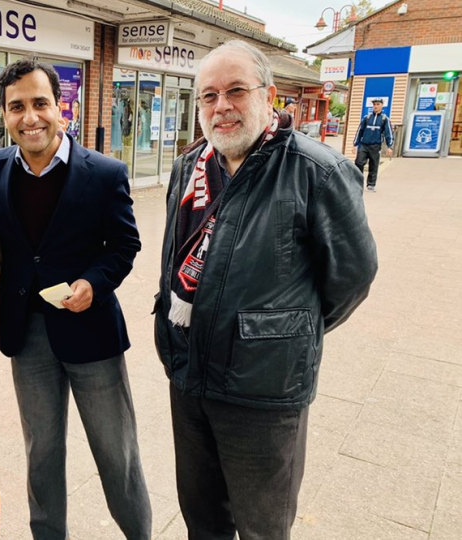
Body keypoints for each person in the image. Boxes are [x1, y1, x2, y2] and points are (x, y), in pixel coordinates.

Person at [155, 40, 378, 540]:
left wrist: (280, 333)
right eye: (209, 96)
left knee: (262, 526)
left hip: (262, 390)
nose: (222, 106)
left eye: (236, 91)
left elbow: (352, 277)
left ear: (270, 95)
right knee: (203, 520)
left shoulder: (316, 171)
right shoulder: (187, 167)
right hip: (189, 377)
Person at [0, 57, 152, 540]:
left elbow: (124, 246)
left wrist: (93, 284)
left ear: (61, 108)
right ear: (4, 114)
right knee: (42, 452)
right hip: (27, 335)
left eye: (40, 103)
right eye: (17, 107)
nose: (30, 116)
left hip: (90, 332)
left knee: (117, 453)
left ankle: (139, 534)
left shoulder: (104, 173)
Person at [354, 97, 394, 191]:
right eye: (374, 104)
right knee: (358, 162)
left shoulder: (385, 119)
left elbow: (389, 133)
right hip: (364, 145)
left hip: (375, 145)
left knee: (373, 164)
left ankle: (371, 184)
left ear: (381, 105)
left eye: (377, 104)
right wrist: (355, 144)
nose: (375, 106)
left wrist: (390, 146)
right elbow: (360, 131)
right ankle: (357, 182)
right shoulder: (366, 118)